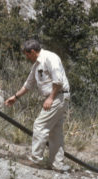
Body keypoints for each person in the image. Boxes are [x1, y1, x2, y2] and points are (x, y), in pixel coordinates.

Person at [4, 39, 71, 172]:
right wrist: (15, 97)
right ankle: (57, 164)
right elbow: (28, 84)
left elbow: (58, 81)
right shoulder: (37, 65)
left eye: (27, 55)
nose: (27, 58)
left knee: (39, 125)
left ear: (33, 52)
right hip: (56, 96)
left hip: (58, 95)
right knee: (55, 132)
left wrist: (50, 98)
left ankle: (35, 160)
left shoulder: (50, 58)